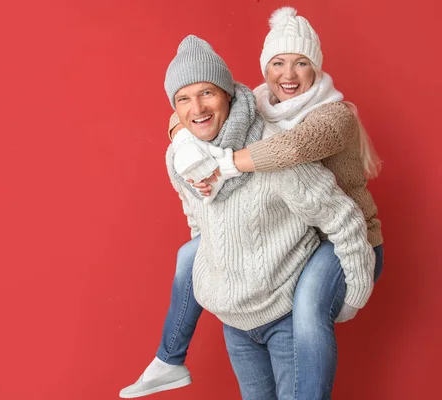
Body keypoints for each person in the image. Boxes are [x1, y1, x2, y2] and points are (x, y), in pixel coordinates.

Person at [119, 7, 384, 400]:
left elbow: (291, 149)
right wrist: (181, 133)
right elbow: (204, 108)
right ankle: (169, 358)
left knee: (311, 310)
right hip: (242, 310)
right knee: (190, 254)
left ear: (317, 67)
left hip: (346, 237)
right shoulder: (256, 104)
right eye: (278, 63)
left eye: (300, 63)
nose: (288, 75)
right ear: (264, 70)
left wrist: (224, 164)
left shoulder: (329, 118)